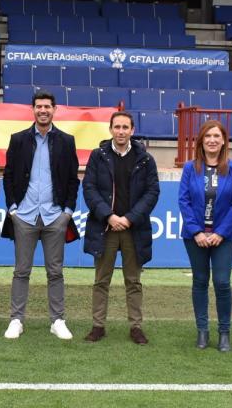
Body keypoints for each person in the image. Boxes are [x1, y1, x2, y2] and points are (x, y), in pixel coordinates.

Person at [2, 91, 80, 340]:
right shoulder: (18, 139)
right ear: (33, 109)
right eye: (38, 106)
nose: (43, 110)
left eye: (47, 106)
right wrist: (13, 208)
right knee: (21, 270)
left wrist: (67, 212)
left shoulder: (67, 141)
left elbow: (71, 180)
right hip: (24, 216)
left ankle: (57, 320)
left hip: (54, 216)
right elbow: (10, 176)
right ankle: (16, 319)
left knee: (55, 271)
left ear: (54, 109)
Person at [81, 111, 159, 345]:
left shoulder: (145, 158)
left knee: (133, 281)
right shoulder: (98, 156)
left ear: (132, 130)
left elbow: (152, 192)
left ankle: (135, 327)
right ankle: (98, 326)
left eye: (126, 127)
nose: (121, 131)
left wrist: (130, 218)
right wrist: (109, 216)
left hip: (133, 228)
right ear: (110, 129)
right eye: (117, 127)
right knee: (101, 280)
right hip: (105, 227)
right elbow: (90, 189)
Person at [178, 120, 232, 352]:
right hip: (195, 236)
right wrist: (196, 231)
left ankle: (224, 332)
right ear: (201, 141)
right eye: (208, 136)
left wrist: (220, 233)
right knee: (200, 281)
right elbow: (183, 201)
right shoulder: (190, 167)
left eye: (217, 136)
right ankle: (202, 331)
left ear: (224, 140)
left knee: (222, 282)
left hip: (223, 237)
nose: (212, 140)